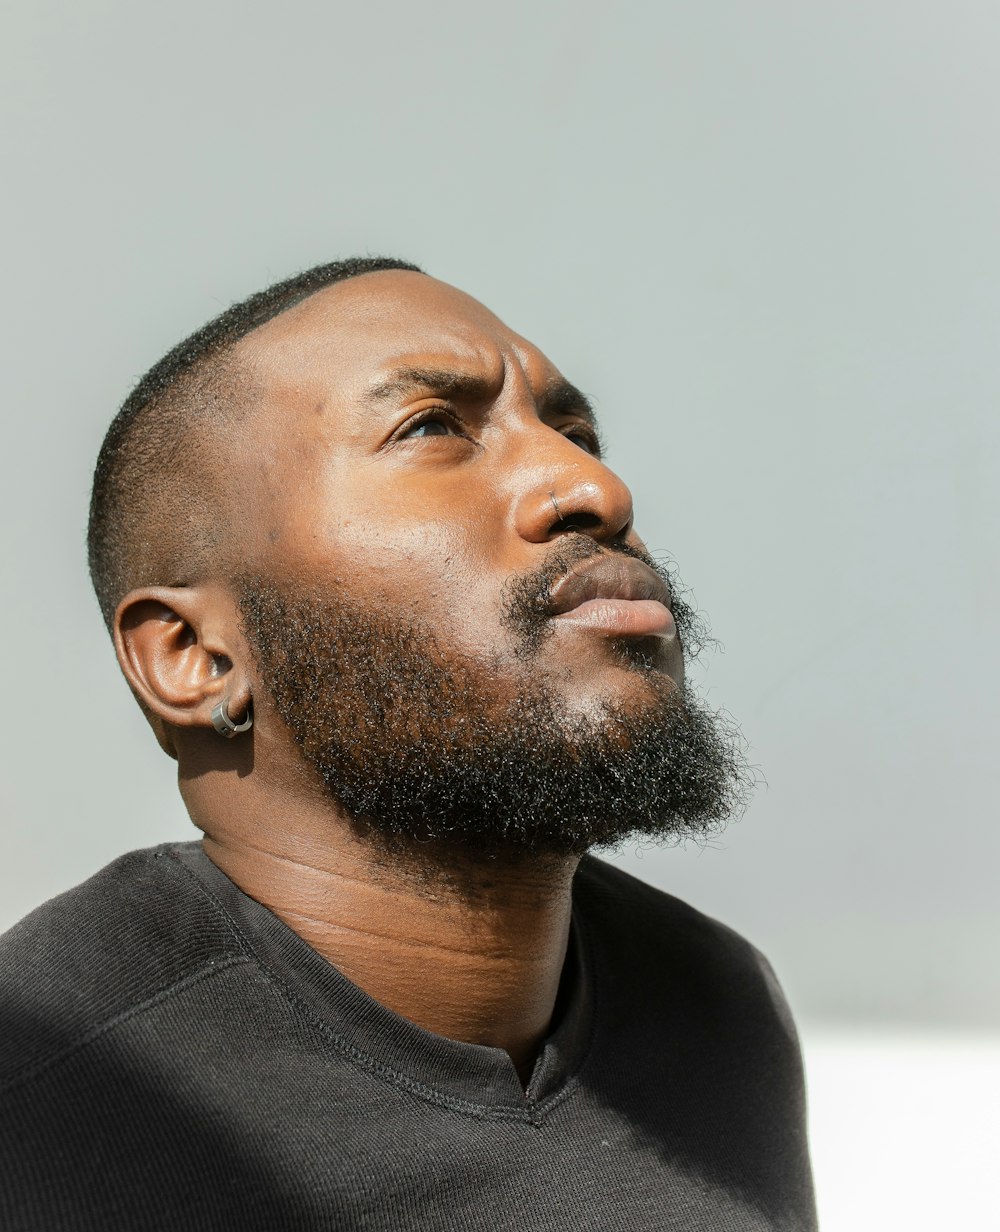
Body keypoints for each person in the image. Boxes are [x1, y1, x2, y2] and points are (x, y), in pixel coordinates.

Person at [0, 258, 817, 1230]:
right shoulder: (46, 1091)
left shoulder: (717, 1008)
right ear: (194, 655)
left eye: (575, 431)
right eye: (431, 426)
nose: (593, 484)